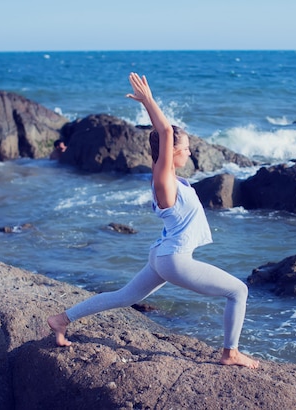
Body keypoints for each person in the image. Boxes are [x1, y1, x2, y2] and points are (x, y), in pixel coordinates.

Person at [48, 73, 259, 369]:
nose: (189, 151)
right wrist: (148, 101)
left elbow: (164, 138)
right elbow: (164, 133)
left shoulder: (170, 178)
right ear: (171, 151)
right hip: (174, 258)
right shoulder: (164, 179)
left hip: (162, 255)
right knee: (239, 291)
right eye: (185, 147)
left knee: (123, 296)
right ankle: (230, 353)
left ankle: (61, 320)